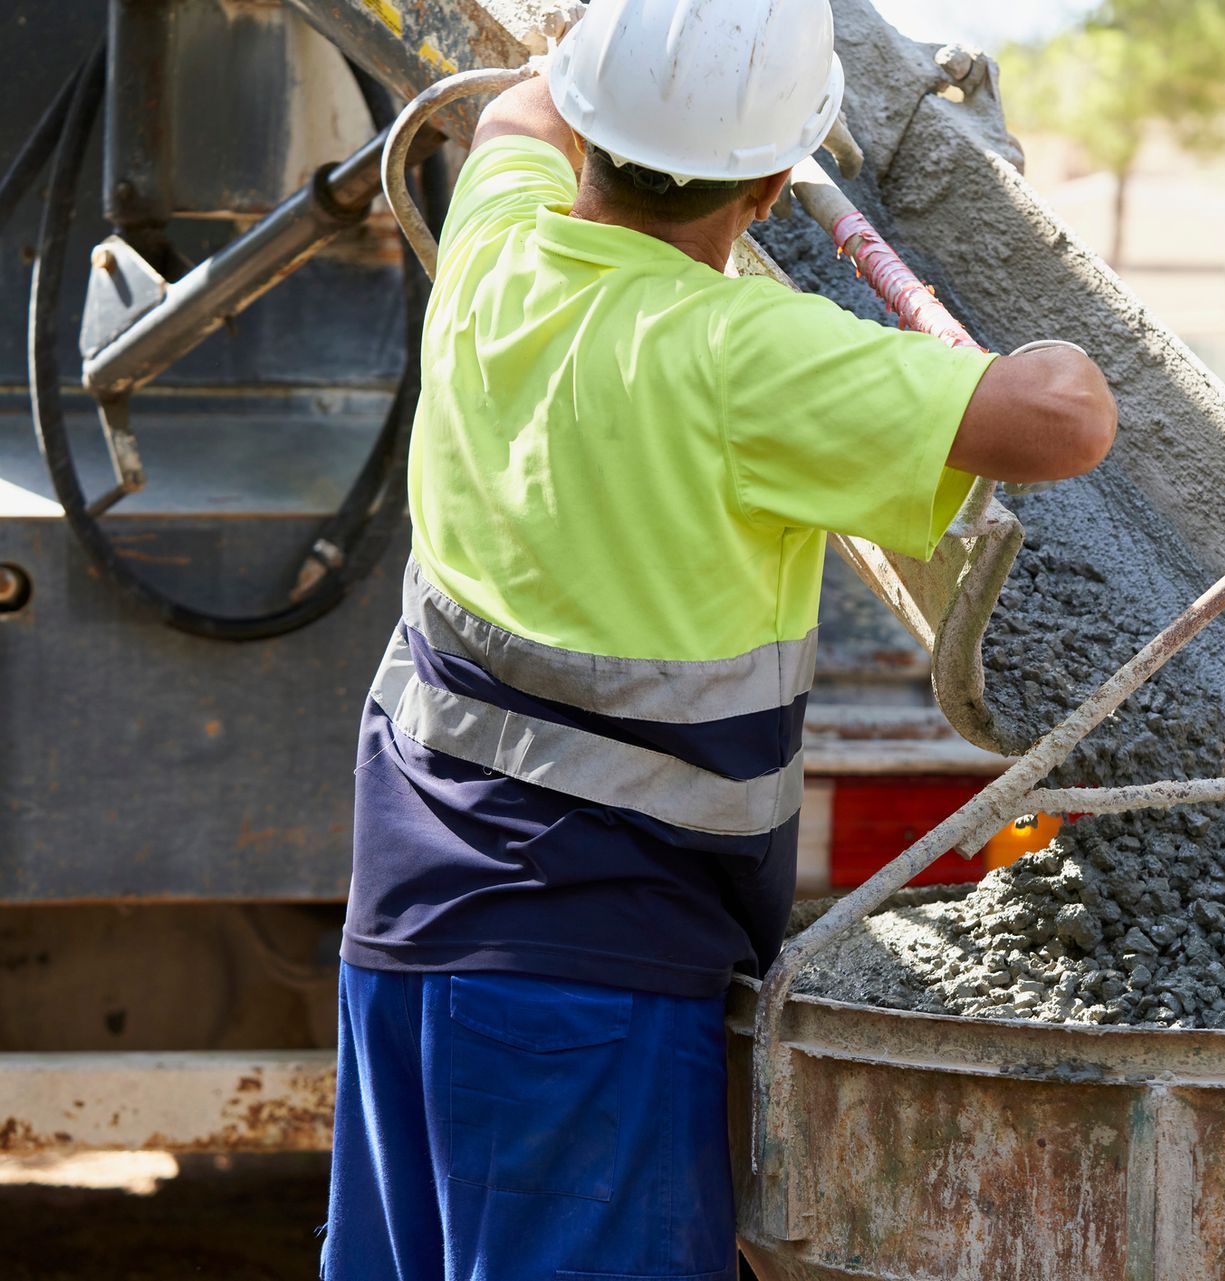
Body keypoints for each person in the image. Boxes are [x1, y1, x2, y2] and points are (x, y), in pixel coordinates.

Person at [320, 1, 1116, 1277]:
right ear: (764, 184)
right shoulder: (751, 355)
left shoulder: (494, 250)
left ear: (587, 129)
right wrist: (1023, 311)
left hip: (406, 942)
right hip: (589, 986)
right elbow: (1069, 419)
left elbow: (516, 108)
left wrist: (586, 54)